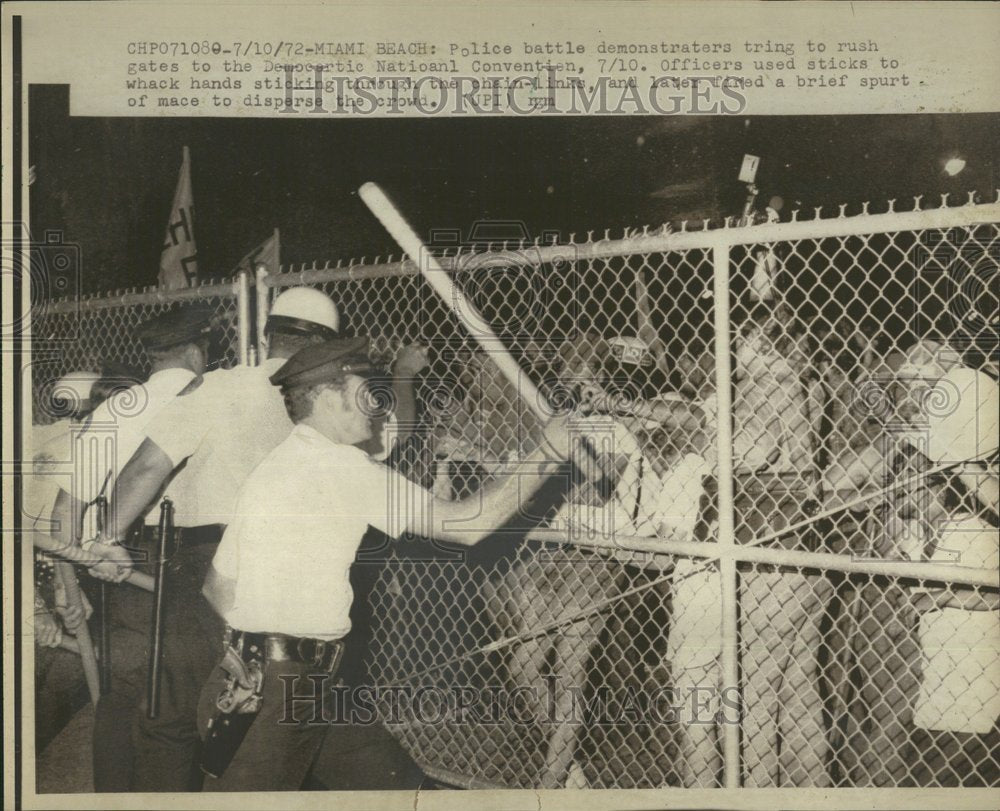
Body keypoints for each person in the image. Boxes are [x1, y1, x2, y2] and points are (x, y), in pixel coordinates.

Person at [193, 337, 581, 791]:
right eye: (363, 393)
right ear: (326, 398)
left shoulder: (275, 466)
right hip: (280, 693)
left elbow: (217, 587)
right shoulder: (342, 468)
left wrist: (253, 648)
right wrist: (548, 453)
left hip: (287, 680)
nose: (375, 406)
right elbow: (468, 524)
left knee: (402, 791)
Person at [85, 287, 342, 791]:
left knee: (172, 717)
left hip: (208, 565)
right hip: (300, 569)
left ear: (267, 332)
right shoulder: (332, 401)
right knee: (276, 714)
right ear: (326, 344)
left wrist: (107, 538)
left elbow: (146, 468)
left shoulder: (221, 387)